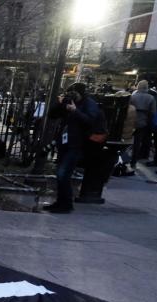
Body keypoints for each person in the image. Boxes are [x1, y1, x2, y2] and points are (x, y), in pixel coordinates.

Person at [44, 82, 105, 213]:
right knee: (60, 174)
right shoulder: (69, 102)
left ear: (80, 93)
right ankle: (61, 202)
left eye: (74, 93)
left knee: (63, 174)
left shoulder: (89, 104)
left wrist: (75, 111)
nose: (72, 96)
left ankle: (66, 204)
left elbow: (90, 121)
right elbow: (52, 115)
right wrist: (61, 103)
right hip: (65, 143)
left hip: (78, 145)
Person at [130, 80, 157, 169]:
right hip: (143, 122)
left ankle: (122, 160)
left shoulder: (132, 97)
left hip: (131, 121)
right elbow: (153, 112)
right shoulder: (151, 98)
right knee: (138, 143)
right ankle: (133, 162)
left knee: (126, 141)